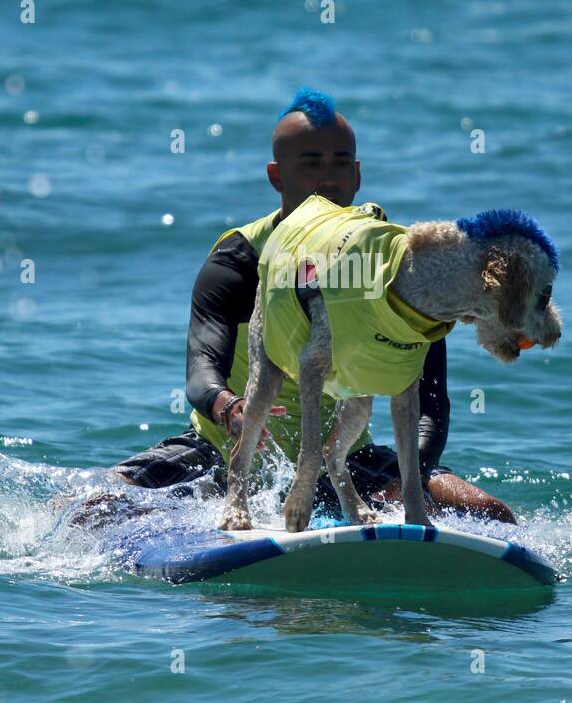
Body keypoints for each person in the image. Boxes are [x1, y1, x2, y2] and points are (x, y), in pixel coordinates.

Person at [74, 88, 514, 528]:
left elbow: (429, 399)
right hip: (227, 449)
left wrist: (411, 472)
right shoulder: (240, 258)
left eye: (341, 162)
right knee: (92, 506)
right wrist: (230, 408)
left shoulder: (392, 265)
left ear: (358, 175)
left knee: (491, 513)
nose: (328, 177)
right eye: (310, 164)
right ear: (276, 176)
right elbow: (201, 367)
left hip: (345, 459)